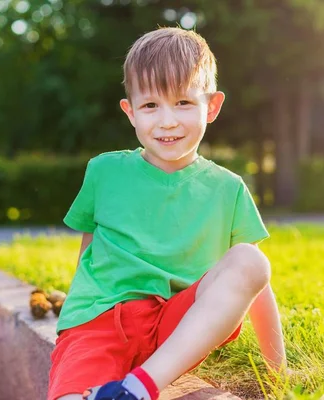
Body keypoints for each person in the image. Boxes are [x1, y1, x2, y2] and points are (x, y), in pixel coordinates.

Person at [47, 27, 287, 400]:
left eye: (183, 103)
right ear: (130, 112)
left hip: (174, 332)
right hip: (99, 326)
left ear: (212, 105)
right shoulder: (104, 172)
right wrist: (73, 324)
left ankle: (138, 387)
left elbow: (257, 286)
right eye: (150, 106)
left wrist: (279, 375)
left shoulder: (228, 189)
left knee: (252, 261)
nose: (167, 120)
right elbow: (87, 255)